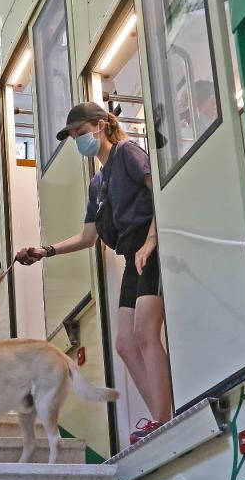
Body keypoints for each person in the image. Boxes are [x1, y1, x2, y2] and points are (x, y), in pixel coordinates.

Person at [17, 102, 172, 444]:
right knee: (124, 343)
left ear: (101, 126)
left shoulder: (129, 152)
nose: (78, 142)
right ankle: (159, 417)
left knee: (146, 333)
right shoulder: (98, 184)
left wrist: (151, 241)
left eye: (81, 133)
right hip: (132, 254)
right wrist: (46, 251)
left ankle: (163, 419)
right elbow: (88, 237)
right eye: (73, 137)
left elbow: (160, 192)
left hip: (150, 246)